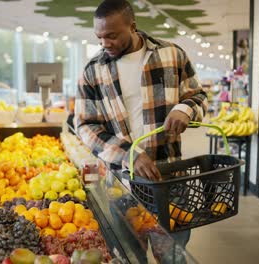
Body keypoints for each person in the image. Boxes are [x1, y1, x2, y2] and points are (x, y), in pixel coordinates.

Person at [74, 0, 208, 260]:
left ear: (133, 27)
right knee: (130, 257)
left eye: (112, 35)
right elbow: (85, 126)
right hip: (121, 186)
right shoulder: (93, 71)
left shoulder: (172, 55)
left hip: (168, 179)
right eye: (99, 37)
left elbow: (199, 96)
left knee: (173, 256)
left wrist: (186, 109)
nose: (105, 43)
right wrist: (128, 154)